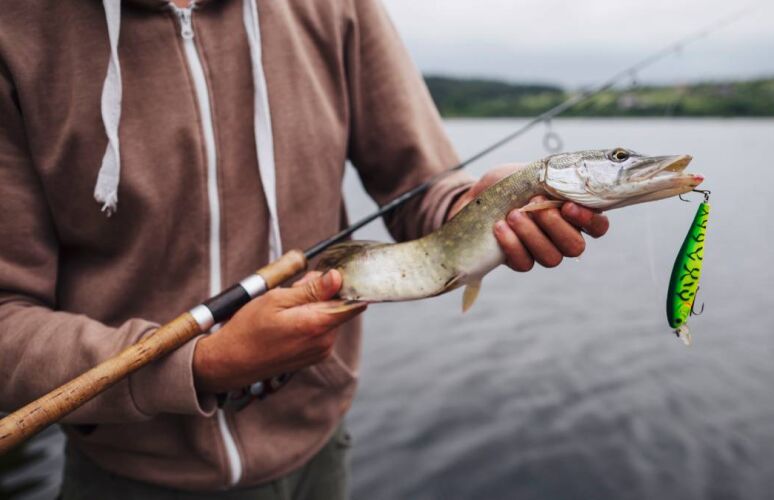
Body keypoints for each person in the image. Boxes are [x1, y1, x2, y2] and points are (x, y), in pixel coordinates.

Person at [0, 0, 609, 498]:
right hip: (125, 473)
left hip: (318, 456)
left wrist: (476, 210)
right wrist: (203, 365)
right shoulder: (18, 28)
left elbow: (422, 185)